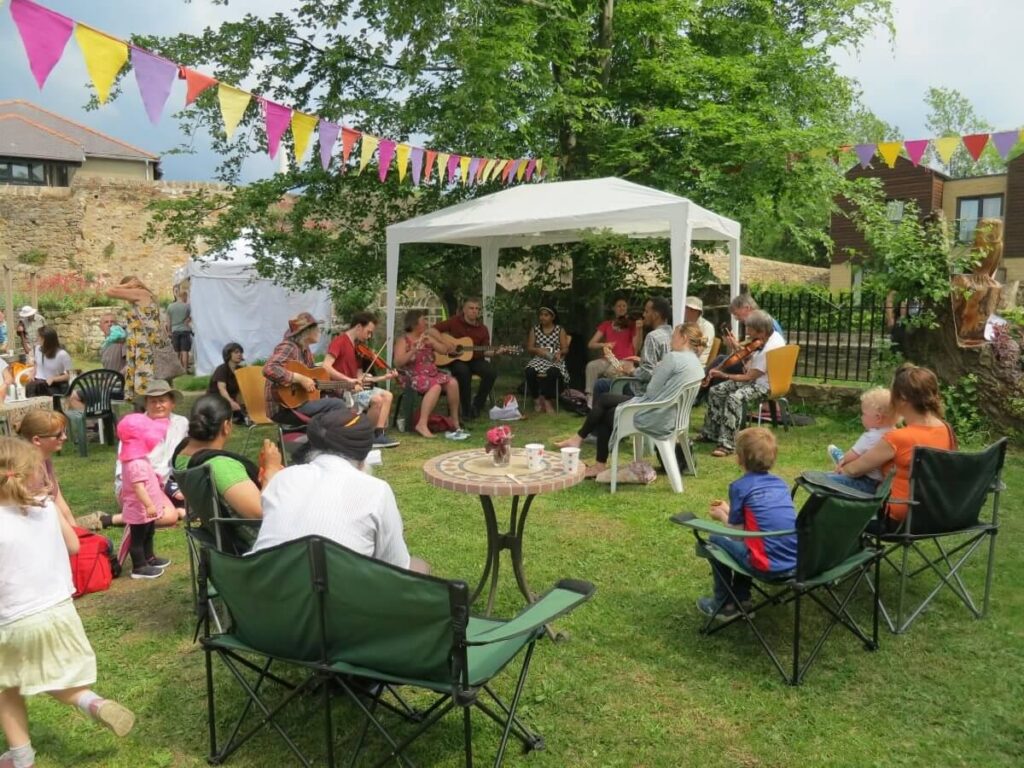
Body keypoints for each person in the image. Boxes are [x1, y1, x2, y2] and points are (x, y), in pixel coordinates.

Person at [0, 438, 135, 768]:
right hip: (59, 611)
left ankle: (22, 759)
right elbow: (75, 545)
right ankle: (93, 702)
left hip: (11, 620)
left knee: (7, 687)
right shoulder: (46, 508)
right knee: (54, 678)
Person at [251, 408, 430, 573]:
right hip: (339, 603)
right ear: (364, 455)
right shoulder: (377, 491)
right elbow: (396, 568)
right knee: (419, 567)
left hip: (261, 597)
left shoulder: (283, 478)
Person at [557, 323, 706, 477]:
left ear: (684, 338)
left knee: (606, 414)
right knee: (605, 399)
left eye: (673, 336)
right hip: (673, 415)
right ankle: (579, 439)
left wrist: (658, 370)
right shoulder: (694, 361)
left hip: (657, 415)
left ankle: (596, 461)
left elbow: (651, 390)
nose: (670, 341)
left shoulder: (673, 357)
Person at [695, 427, 797, 619]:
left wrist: (721, 517)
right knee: (753, 544)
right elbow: (757, 523)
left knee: (715, 539)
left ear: (739, 458)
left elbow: (737, 534)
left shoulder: (740, 487)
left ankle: (723, 605)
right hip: (795, 563)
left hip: (768, 567)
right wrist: (728, 510)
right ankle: (742, 598)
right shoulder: (781, 484)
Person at [838, 364, 956, 526]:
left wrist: (839, 470)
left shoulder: (898, 438)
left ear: (903, 399)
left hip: (897, 518)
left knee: (825, 487)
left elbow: (853, 469)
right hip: (935, 514)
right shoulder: (947, 430)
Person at [172, 395, 282, 550]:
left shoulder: (181, 454)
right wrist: (272, 469)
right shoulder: (221, 466)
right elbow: (260, 512)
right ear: (226, 426)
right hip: (261, 544)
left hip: (220, 538)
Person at [104, 380, 189, 529]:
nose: (158, 405)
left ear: (172, 403)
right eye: (153, 401)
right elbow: (127, 472)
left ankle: (179, 509)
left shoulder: (181, 423)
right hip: (139, 484)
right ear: (146, 404)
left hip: (168, 483)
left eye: (162, 400)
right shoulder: (134, 426)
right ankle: (114, 519)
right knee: (169, 517)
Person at [700, 310, 785, 458]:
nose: (747, 332)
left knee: (734, 398)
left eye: (749, 329)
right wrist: (740, 351)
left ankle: (728, 444)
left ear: (761, 331)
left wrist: (723, 374)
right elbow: (749, 358)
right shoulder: (771, 337)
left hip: (764, 386)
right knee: (716, 390)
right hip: (758, 379)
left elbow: (748, 377)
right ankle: (711, 433)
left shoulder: (769, 349)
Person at [323, 312, 400, 448]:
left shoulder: (357, 348)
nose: (369, 336)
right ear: (359, 327)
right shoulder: (339, 341)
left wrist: (383, 377)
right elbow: (326, 367)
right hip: (341, 389)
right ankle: (365, 435)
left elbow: (359, 378)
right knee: (377, 399)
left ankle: (378, 434)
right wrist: (348, 380)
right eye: (368, 332)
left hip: (355, 387)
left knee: (387, 395)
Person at [263, 312, 350, 426]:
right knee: (337, 405)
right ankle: (329, 440)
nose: (319, 331)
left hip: (300, 402)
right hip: (283, 408)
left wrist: (347, 387)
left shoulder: (305, 350)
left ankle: (321, 440)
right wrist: (299, 378)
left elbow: (316, 379)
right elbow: (269, 368)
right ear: (306, 332)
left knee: (338, 401)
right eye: (316, 328)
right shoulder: (289, 347)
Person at [116, 413, 175, 580]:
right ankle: (139, 566)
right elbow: (139, 488)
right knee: (138, 539)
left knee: (149, 533)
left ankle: (150, 558)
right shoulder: (136, 464)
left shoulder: (139, 459)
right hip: (140, 509)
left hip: (147, 508)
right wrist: (149, 505)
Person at [393, 309, 468, 440]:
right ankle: (422, 424)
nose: (427, 322)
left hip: (431, 374)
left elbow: (445, 351)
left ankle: (455, 422)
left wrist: (433, 342)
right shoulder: (403, 340)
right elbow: (398, 362)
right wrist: (413, 350)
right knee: (436, 386)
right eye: (424, 320)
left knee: (453, 383)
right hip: (412, 376)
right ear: (415, 323)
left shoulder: (427, 337)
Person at [432, 298, 498, 421]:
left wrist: (496, 352)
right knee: (463, 372)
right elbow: (432, 330)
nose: (475, 311)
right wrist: (444, 344)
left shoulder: (482, 329)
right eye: (471, 308)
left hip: (476, 359)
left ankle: (477, 406)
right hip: (456, 359)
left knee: (491, 372)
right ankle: (466, 410)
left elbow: (485, 350)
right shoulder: (454, 321)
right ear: (464, 310)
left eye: (477, 309)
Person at [824, 387, 897, 494]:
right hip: (882, 483)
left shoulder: (871, 436)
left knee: (824, 479)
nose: (861, 417)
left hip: (866, 482)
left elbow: (851, 456)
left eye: (864, 414)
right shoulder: (895, 433)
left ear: (878, 418)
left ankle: (839, 457)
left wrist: (841, 463)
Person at [106, 276, 161, 401]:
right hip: (142, 347)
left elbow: (109, 291)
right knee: (144, 392)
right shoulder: (147, 296)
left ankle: (144, 417)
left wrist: (126, 286)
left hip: (144, 350)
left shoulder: (140, 293)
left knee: (144, 392)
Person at [584, 296, 640, 406]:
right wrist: (604, 344)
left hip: (625, 360)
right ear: (614, 308)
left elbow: (636, 347)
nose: (621, 308)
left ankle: (612, 400)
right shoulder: (607, 324)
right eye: (619, 306)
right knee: (591, 366)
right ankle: (590, 398)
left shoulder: (631, 325)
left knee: (611, 370)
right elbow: (591, 344)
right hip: (608, 359)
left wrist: (639, 329)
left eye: (624, 306)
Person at [523, 306, 570, 414]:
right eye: (541, 315)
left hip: (554, 358)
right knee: (529, 371)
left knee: (553, 372)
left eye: (546, 315)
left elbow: (566, 349)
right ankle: (536, 399)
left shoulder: (559, 330)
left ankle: (547, 399)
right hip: (539, 358)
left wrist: (560, 352)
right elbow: (529, 348)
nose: (542, 317)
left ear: (552, 317)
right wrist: (538, 350)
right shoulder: (535, 329)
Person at [26, 327, 72, 398]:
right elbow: (36, 363)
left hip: (54, 385)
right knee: (30, 388)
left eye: (39, 336)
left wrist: (53, 378)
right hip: (39, 383)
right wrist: (32, 373)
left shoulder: (62, 354)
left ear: (46, 339)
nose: (36, 338)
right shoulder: (38, 349)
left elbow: (68, 376)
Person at [207, 342, 246, 424]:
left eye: (240, 352)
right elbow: (222, 389)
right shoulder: (222, 369)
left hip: (231, 400)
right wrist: (231, 402)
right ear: (228, 354)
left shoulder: (240, 369)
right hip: (217, 400)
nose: (240, 354)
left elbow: (242, 390)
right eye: (236, 352)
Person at [683, 296, 716, 367]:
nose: (684, 311)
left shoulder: (707, 327)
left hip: (697, 367)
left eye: (686, 309)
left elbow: (700, 349)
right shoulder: (684, 324)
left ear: (696, 311)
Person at [166, 288, 192, 372]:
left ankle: (176, 370)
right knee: (185, 351)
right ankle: (185, 370)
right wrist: (187, 319)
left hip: (175, 331)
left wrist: (169, 331)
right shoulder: (187, 306)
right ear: (183, 296)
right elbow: (191, 317)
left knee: (176, 351)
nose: (186, 298)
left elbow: (168, 321)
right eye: (186, 296)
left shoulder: (170, 306)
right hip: (185, 330)